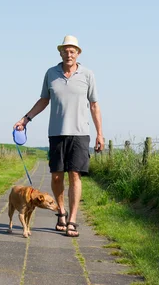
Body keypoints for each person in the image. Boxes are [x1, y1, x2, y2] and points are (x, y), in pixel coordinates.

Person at [13, 35, 104, 237]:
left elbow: (94, 105)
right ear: (60, 52)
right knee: (56, 176)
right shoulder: (51, 73)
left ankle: (72, 220)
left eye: (73, 51)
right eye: (65, 50)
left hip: (80, 134)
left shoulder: (88, 75)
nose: (69, 54)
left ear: (78, 53)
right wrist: (25, 119)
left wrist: (99, 133)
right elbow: (44, 100)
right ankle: (61, 212)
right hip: (56, 133)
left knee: (75, 176)